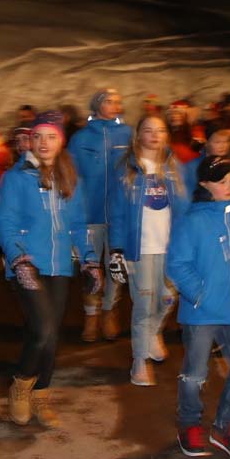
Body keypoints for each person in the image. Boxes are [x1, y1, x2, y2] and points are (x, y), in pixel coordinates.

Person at [0, 110, 102, 428]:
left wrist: (90, 259)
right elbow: (4, 222)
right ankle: (20, 385)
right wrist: (18, 258)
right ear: (30, 140)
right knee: (42, 329)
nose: (43, 142)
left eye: (51, 136)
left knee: (51, 336)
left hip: (60, 266)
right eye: (38, 136)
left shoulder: (70, 177)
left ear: (61, 141)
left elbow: (79, 225)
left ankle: (41, 394)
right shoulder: (16, 177)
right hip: (28, 265)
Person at [167, 155, 230, 459]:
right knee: (195, 373)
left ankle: (224, 426)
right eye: (222, 182)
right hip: (202, 311)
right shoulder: (192, 222)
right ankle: (189, 423)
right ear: (205, 185)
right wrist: (200, 295)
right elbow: (177, 264)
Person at [108, 115, 189, 386]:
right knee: (143, 305)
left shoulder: (174, 167)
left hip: (169, 248)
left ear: (166, 135)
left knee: (167, 298)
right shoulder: (127, 169)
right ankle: (140, 361)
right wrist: (117, 250)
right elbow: (117, 213)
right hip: (139, 249)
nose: (154, 135)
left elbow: (184, 210)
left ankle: (154, 333)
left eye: (160, 130)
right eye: (148, 130)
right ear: (138, 135)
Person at [68, 88, 132, 342]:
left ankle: (109, 310)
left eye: (118, 101)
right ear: (96, 105)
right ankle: (91, 314)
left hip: (119, 213)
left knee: (115, 265)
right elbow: (71, 175)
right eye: (109, 101)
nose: (115, 105)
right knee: (91, 266)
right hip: (90, 212)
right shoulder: (81, 138)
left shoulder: (128, 134)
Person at [166, 99, 206, 164]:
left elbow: (197, 147)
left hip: (191, 166)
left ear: (186, 116)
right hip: (173, 166)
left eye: (178, 114)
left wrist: (191, 124)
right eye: (172, 114)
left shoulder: (196, 130)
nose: (174, 116)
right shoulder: (167, 132)